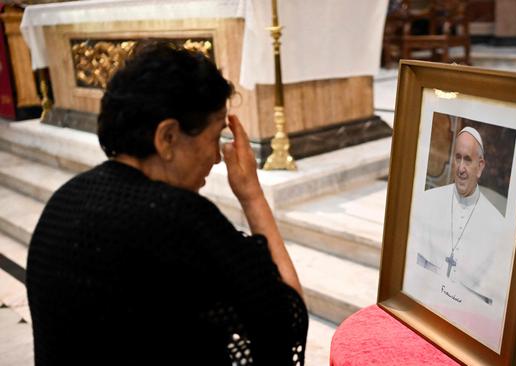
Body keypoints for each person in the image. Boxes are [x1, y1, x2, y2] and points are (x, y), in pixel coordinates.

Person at [26, 41, 308, 365]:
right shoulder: (177, 219)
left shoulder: (63, 201)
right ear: (167, 138)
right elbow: (286, 319)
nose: (218, 157)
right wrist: (252, 196)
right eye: (215, 136)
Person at [403, 126, 511, 350]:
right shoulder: (428, 201)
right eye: (458, 158)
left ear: (480, 166)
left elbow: (491, 297)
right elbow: (413, 269)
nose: (461, 168)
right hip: (427, 316)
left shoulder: (496, 223)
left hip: (469, 328)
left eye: (468, 160)